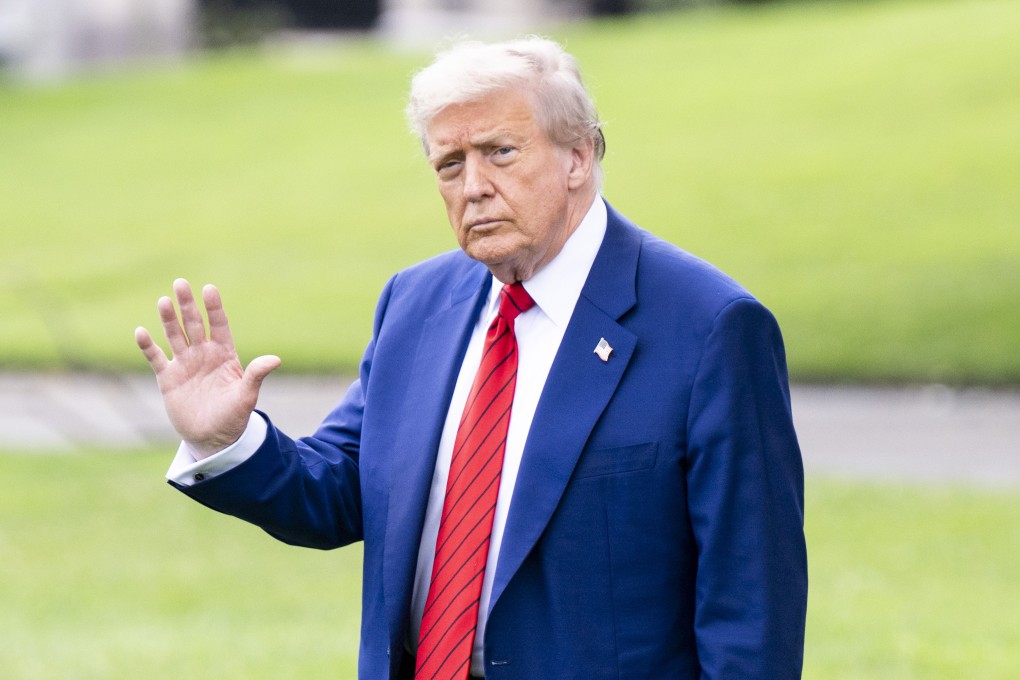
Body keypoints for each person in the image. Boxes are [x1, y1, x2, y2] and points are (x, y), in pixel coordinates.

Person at [135, 37, 807, 680]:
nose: (474, 186)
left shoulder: (710, 327)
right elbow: (345, 489)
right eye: (450, 164)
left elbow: (753, 603)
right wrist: (229, 439)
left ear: (579, 155)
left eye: (500, 152)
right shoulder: (415, 303)